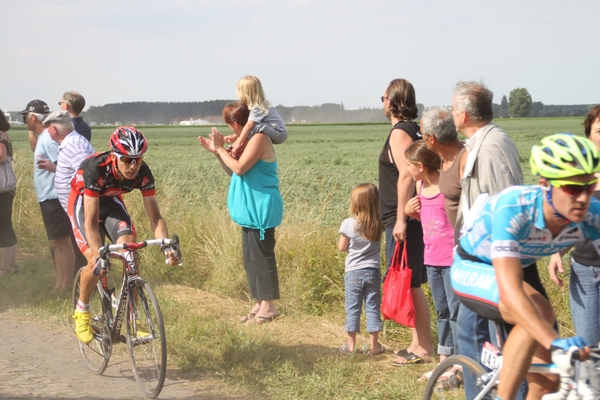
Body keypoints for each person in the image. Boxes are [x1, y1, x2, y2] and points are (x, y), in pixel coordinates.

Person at [451, 133, 598, 399]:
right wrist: (556, 342)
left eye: (588, 187)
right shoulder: (515, 206)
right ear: (545, 185)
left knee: (551, 376)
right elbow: (511, 292)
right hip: (473, 265)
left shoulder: (592, 215)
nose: (582, 198)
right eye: (573, 189)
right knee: (539, 311)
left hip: (519, 266)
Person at [450, 81, 533, 399]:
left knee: (478, 335)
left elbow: (504, 205)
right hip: (482, 258)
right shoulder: (480, 142)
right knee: (479, 339)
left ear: (464, 113)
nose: (451, 112)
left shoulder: (492, 145)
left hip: (490, 263)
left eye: (453, 107)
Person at [70, 127, 180, 344]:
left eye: (137, 160)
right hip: (84, 203)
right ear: (114, 156)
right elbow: (91, 222)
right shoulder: (95, 170)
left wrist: (166, 245)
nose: (133, 166)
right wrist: (99, 254)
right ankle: (82, 311)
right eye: (127, 160)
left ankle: (132, 318)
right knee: (94, 260)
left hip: (111, 203)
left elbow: (155, 218)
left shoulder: (143, 173)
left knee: (130, 252)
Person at [198, 102, 283, 325]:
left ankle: (269, 307)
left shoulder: (259, 139)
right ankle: (259, 303)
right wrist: (217, 154)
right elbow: (233, 172)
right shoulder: (245, 141)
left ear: (236, 124)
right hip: (249, 210)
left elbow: (238, 168)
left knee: (262, 257)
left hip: (261, 209)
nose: (231, 132)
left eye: (230, 126)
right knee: (250, 258)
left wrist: (219, 149)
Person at [378, 78, 432, 366]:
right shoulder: (413, 129)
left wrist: (400, 219)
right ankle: (416, 343)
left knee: (410, 283)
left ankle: (423, 346)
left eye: (383, 97)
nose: (382, 102)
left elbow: (407, 175)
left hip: (403, 219)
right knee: (411, 281)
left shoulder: (400, 132)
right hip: (407, 217)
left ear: (392, 100)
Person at [404, 141, 459, 375]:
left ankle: (459, 361)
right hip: (432, 259)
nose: (407, 170)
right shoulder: (420, 188)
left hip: (452, 259)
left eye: (409, 165)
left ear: (420, 165)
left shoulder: (446, 188)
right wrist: (409, 212)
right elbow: (427, 219)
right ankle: (444, 360)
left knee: (456, 312)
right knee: (442, 311)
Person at [548, 105, 600, 345]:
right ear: (589, 136)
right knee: (587, 348)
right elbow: (570, 222)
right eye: (599, 131)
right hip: (584, 271)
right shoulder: (579, 175)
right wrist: (558, 252)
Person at [20, 99, 76, 291]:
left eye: (26, 117)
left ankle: (66, 284)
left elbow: (64, 165)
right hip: (48, 197)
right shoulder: (43, 137)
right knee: (56, 243)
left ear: (33, 117)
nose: (25, 120)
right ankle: (59, 283)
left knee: (62, 241)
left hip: (55, 196)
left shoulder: (47, 139)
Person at [338, 183, 385, 355]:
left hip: (353, 272)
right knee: (372, 307)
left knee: (353, 308)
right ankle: (374, 346)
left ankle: (351, 345)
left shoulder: (348, 223)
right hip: (373, 271)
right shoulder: (379, 223)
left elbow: (342, 247)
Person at [420, 106, 466, 232]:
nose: (421, 139)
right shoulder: (443, 159)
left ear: (431, 138)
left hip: (471, 243)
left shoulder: (464, 160)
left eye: (422, 134)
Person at [43, 110, 94, 210]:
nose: (46, 131)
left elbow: (87, 175)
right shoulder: (71, 142)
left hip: (82, 209)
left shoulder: (73, 145)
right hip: (77, 208)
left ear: (53, 129)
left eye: (47, 128)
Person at [228, 76, 287, 158]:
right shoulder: (255, 106)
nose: (236, 93)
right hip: (275, 132)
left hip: (279, 134)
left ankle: (235, 148)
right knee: (255, 127)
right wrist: (234, 136)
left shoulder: (257, 107)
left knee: (256, 126)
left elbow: (249, 126)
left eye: (238, 91)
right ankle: (236, 148)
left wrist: (238, 142)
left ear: (245, 93)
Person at [0, 111, 17, 278]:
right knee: (7, 226)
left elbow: (1, 156)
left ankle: (3, 270)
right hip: (7, 187)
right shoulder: (4, 133)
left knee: (2, 228)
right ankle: (11, 266)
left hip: (2, 188)